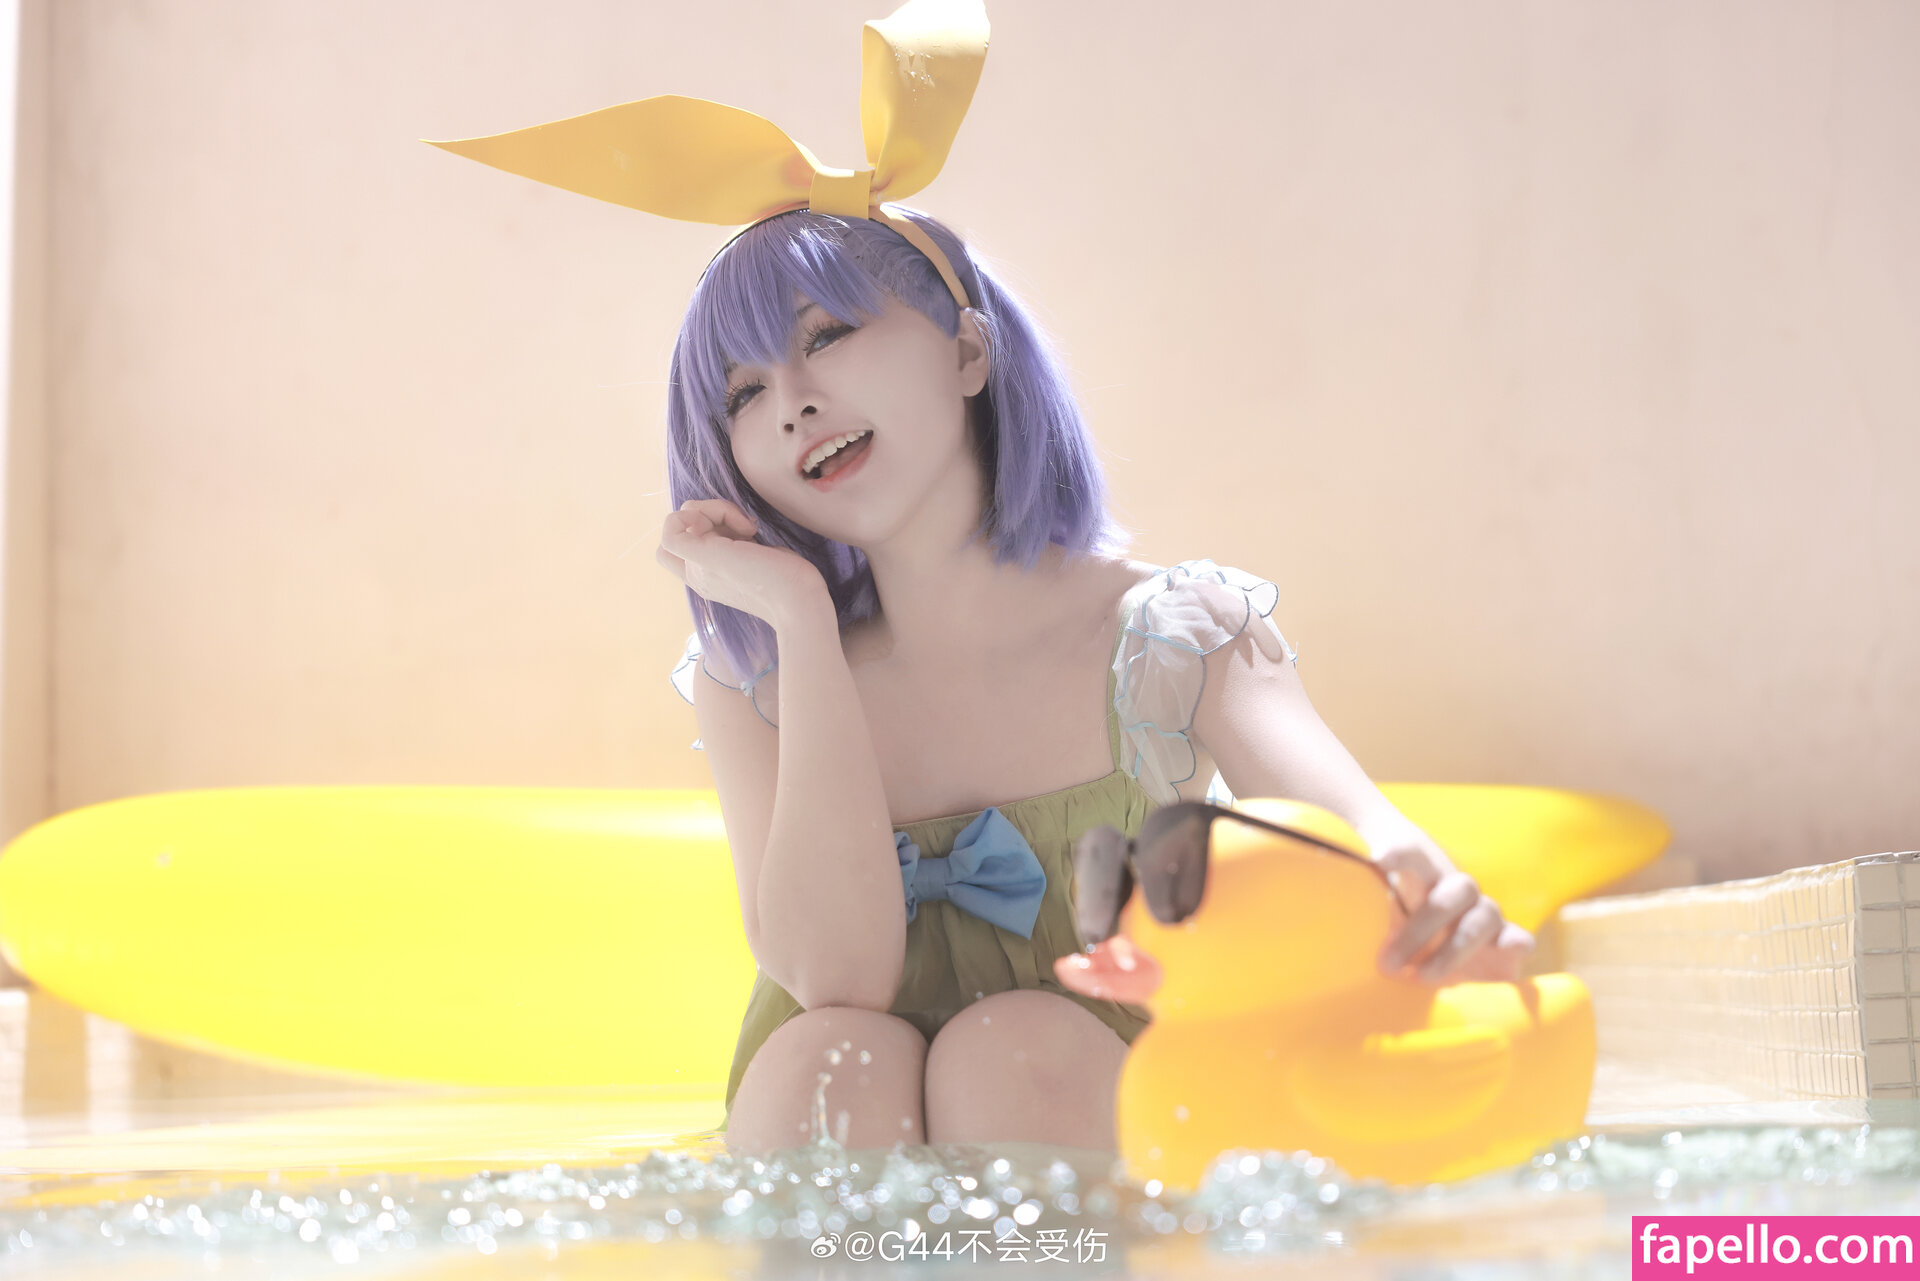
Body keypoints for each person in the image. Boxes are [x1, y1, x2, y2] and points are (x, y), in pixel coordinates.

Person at [654, 205, 1535, 1157]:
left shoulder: (1173, 634)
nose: (791, 403)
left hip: (1125, 1127)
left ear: (967, 354)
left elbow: (1362, 847)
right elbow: (838, 975)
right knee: (825, 1059)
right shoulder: (759, 682)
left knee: (1012, 1051)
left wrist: (1432, 899)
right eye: (744, 392)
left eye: (826, 334)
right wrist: (801, 621)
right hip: (839, 1138)